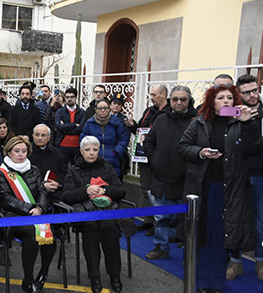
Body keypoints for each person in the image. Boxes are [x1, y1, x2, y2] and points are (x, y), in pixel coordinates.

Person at [178, 84, 263, 292]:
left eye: (230, 98)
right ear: (212, 102)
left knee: (220, 238)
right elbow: (182, 147)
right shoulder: (199, 123)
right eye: (220, 98)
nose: (226, 101)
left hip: (230, 190)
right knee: (201, 237)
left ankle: (215, 284)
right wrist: (201, 152)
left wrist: (248, 123)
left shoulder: (241, 123)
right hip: (202, 188)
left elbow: (254, 147)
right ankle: (199, 281)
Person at [63, 136, 126, 293]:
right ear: (81, 151)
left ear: (99, 151)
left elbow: (121, 191)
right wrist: (86, 191)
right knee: (90, 228)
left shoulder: (108, 167)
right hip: (85, 214)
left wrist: (105, 190)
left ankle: (114, 275)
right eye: (87, 150)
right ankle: (95, 277)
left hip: (106, 213)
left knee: (109, 227)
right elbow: (66, 196)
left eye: (95, 150)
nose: (91, 153)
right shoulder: (73, 170)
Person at [0, 136, 56, 293]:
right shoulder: (1, 172)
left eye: (24, 151)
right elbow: (6, 199)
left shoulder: (33, 169)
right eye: (17, 151)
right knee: (34, 236)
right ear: (8, 152)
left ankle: (43, 274)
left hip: (35, 214)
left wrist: (40, 208)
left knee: (49, 237)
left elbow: (42, 192)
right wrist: (31, 208)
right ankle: (28, 280)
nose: (21, 154)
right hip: (12, 216)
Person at [143, 86, 197, 260]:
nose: (179, 102)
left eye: (183, 99)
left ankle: (188, 254)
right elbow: (149, 142)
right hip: (161, 177)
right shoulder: (161, 119)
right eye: (175, 99)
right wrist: (154, 160)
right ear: (170, 100)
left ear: (189, 100)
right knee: (162, 216)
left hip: (187, 180)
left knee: (187, 219)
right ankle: (161, 247)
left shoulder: (196, 122)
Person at [226, 74, 263, 280]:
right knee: (235, 219)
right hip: (236, 174)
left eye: (255, 90)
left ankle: (260, 261)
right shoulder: (231, 114)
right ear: (238, 94)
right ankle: (235, 262)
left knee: (260, 221)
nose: (252, 95)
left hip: (260, 175)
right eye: (247, 92)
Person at [126, 84, 170, 234]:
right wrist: (133, 126)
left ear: (163, 94)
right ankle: (148, 220)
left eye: (154, 95)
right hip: (144, 157)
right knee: (146, 189)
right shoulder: (148, 111)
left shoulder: (169, 112)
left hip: (160, 158)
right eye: (150, 95)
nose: (151, 98)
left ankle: (160, 224)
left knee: (158, 192)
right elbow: (141, 130)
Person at [81, 98, 130, 178]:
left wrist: (116, 152)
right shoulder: (89, 123)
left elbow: (123, 138)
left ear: (109, 109)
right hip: (94, 158)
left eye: (105, 108)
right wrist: (92, 152)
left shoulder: (115, 122)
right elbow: (83, 141)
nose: (103, 110)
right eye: (100, 108)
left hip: (112, 159)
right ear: (96, 110)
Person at [29, 124, 67, 204]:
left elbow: (64, 172)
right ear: (32, 136)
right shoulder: (27, 153)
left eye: (43, 135)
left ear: (49, 137)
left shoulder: (56, 152)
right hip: (33, 193)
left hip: (54, 192)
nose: (39, 138)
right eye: (37, 135)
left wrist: (57, 182)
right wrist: (42, 187)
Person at [55, 88, 86, 165]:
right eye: (67, 97)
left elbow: (81, 128)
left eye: (72, 97)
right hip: (62, 145)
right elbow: (59, 127)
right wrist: (74, 124)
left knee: (77, 169)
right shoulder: (60, 112)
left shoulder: (82, 112)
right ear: (64, 98)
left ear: (76, 98)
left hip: (77, 146)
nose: (69, 99)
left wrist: (65, 127)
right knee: (62, 169)